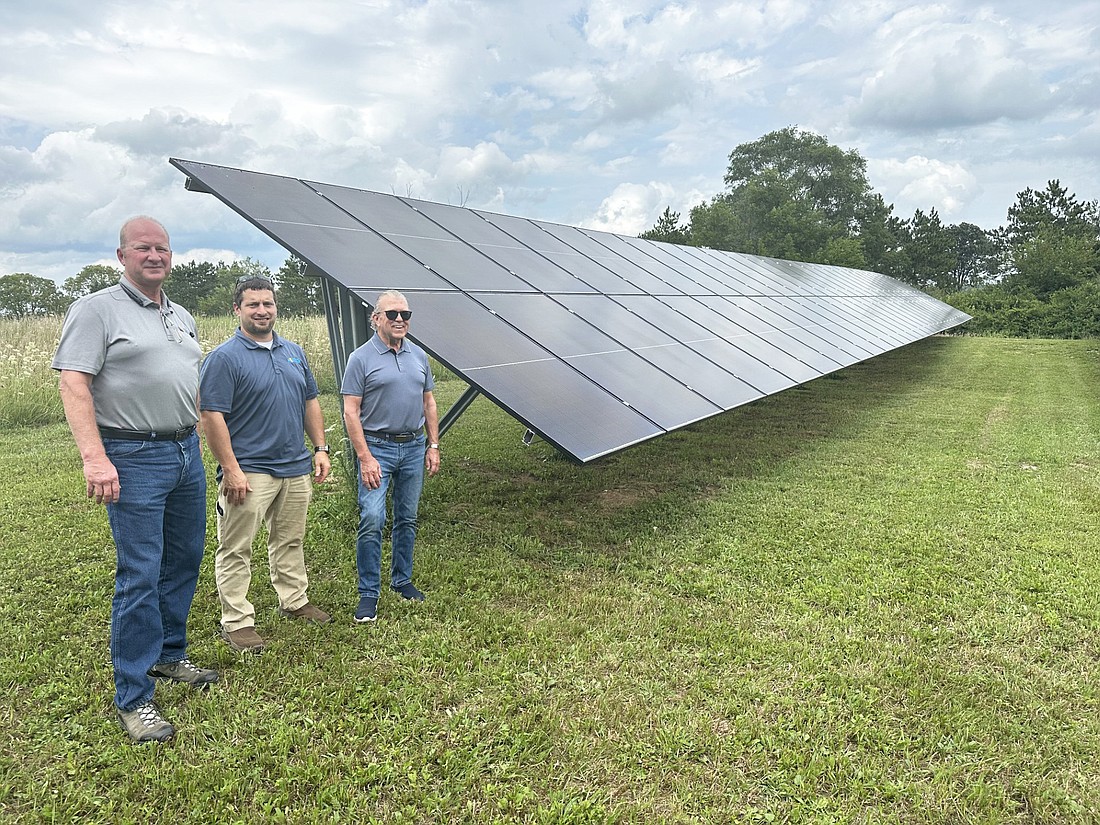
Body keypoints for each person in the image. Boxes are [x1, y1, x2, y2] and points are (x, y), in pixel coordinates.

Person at [52, 216, 218, 745]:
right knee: (140, 572)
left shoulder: (181, 314)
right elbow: (74, 382)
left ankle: (170, 655)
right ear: (121, 255)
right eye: (143, 247)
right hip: (132, 453)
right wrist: (94, 458)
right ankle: (133, 694)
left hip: (183, 450)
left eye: (163, 248)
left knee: (185, 556)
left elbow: (187, 381)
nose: (155, 255)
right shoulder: (97, 309)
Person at [199, 276, 333, 654]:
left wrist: (320, 448)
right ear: (237, 310)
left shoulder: (294, 352)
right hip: (249, 469)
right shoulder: (224, 358)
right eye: (253, 304)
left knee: (290, 539)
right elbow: (211, 416)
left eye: (268, 304)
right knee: (236, 548)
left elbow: (310, 402)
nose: (262, 311)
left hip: (295, 466)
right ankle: (237, 621)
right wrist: (231, 469)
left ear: (276, 307)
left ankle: (294, 599)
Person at [341, 290, 440, 623]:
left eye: (405, 315)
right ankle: (369, 593)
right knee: (372, 519)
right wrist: (365, 457)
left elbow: (429, 403)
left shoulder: (419, 356)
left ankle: (402, 580)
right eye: (393, 314)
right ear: (376, 318)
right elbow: (350, 412)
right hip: (377, 448)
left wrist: (433, 444)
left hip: (413, 447)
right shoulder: (360, 358)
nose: (400, 320)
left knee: (407, 518)